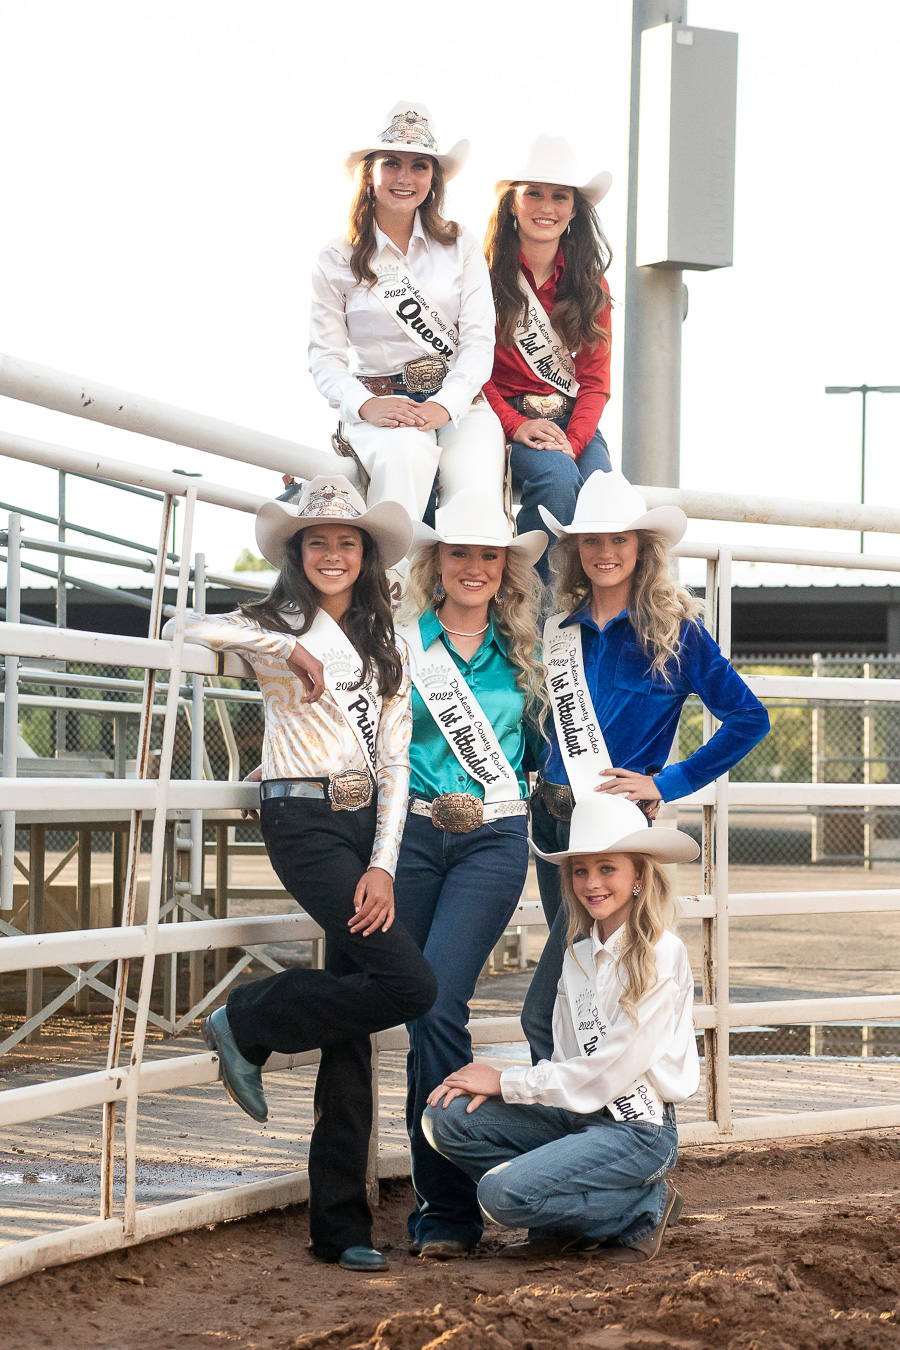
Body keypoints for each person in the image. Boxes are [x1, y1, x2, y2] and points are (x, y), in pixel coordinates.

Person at [163, 474, 437, 1273]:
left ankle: (340, 1225)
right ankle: (247, 1020)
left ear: (366, 553)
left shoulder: (391, 644)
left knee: (354, 1030)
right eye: (317, 540)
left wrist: (384, 867)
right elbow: (186, 626)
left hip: (366, 827)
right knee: (410, 987)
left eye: (346, 541)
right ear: (298, 551)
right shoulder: (268, 623)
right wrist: (288, 647)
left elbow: (395, 765)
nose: (332, 552)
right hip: (301, 819)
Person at [523, 470, 770, 1062]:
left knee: (555, 1003)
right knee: (577, 989)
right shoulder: (557, 631)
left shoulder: (675, 632)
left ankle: (597, 1135)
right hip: (554, 824)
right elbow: (540, 730)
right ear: (575, 552)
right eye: (592, 541)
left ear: (642, 549)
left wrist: (668, 781)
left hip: (614, 833)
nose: (605, 553)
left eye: (620, 540)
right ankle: (581, 1128)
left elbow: (748, 718)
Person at [424, 793, 700, 1264]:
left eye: (607, 868)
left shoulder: (661, 955)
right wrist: (513, 1090)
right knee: (445, 1121)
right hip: (577, 1117)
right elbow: (568, 1057)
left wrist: (507, 1081)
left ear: (638, 877)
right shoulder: (577, 954)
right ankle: (569, 1216)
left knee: (502, 1196)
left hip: (636, 1128)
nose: (592, 883)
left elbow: (607, 1072)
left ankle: (645, 1206)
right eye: (580, 870)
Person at [392, 491, 547, 1260]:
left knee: (437, 1002)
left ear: (505, 569)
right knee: (423, 1009)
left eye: (489, 555)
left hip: (492, 840)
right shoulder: (401, 644)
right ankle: (446, 1193)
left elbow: (551, 757)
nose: (475, 567)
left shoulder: (527, 655)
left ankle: (446, 1210)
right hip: (413, 838)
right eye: (460, 553)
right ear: (437, 563)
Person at [309, 101, 505, 534]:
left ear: (433, 179)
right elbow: (324, 359)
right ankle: (391, 599)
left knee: (475, 507)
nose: (405, 177)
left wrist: (442, 405)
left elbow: (477, 344)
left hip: (460, 405)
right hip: (382, 410)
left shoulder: (461, 244)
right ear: (370, 173)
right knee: (404, 461)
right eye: (392, 163)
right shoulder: (336, 257)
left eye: (420, 166)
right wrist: (367, 405)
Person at [483, 136, 615, 583]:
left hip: (573, 420)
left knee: (604, 501)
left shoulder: (592, 286)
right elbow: (469, 369)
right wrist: (515, 425)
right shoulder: (479, 277)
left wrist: (573, 443)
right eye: (533, 193)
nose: (547, 206)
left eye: (560, 195)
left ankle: (589, 622)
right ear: (513, 204)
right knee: (558, 479)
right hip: (503, 416)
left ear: (575, 209)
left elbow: (596, 383)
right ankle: (532, 620)